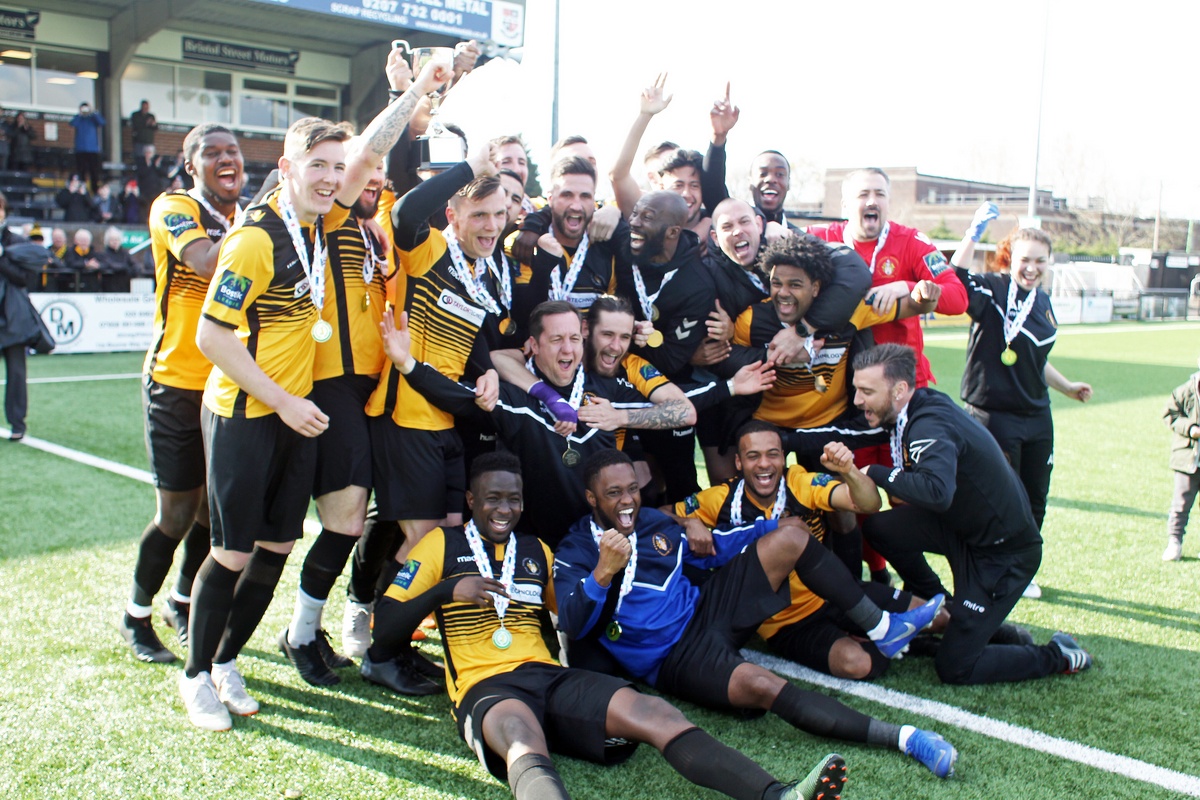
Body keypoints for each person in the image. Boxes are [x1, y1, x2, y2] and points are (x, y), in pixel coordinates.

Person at [178, 56, 454, 731]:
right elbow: (212, 337)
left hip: (297, 411)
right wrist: (282, 400)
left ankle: (227, 661)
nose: (333, 177)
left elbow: (371, 154)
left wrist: (419, 92)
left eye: (337, 167)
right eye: (319, 166)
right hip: (247, 412)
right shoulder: (254, 238)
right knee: (232, 552)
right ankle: (195, 675)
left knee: (276, 549)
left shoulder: (320, 224)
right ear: (287, 166)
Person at [367, 451, 849, 800]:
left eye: (513, 499)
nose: (504, 509)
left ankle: (778, 795)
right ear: (472, 499)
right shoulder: (440, 545)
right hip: (485, 686)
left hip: (549, 675)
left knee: (655, 712)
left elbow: (575, 617)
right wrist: (445, 592)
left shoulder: (536, 551)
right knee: (521, 738)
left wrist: (617, 572)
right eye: (493, 498)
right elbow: (383, 634)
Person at [554, 449, 957, 778]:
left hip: (707, 609)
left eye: (632, 489)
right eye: (613, 493)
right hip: (674, 658)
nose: (627, 501)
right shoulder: (576, 549)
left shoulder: (654, 522)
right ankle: (907, 738)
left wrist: (769, 527)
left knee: (791, 535)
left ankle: (881, 626)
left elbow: (720, 547)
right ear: (592, 498)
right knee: (762, 685)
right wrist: (603, 571)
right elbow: (573, 622)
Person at [278, 48, 441, 688]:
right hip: (334, 387)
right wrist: (413, 90)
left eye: (375, 180)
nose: (369, 182)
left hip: (385, 388)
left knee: (382, 519)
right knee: (343, 521)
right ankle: (300, 632)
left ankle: (358, 620)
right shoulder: (329, 216)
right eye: (354, 174)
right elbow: (374, 150)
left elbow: (397, 161)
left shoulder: (382, 225)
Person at [854, 343, 1093, 684]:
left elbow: (937, 492)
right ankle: (942, 605)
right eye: (857, 389)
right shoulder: (912, 407)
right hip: (961, 530)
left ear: (899, 390)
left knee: (956, 667)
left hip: (1002, 555)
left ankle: (1058, 654)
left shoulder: (928, 424)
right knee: (880, 528)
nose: (857, 400)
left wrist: (875, 472)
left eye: (866, 392)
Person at [673, 421, 946, 680]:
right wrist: (689, 522)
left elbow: (869, 504)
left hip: (836, 593)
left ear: (783, 457)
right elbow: (661, 515)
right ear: (738, 462)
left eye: (772, 454)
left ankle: (880, 633)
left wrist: (849, 471)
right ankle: (885, 639)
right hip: (786, 622)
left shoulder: (800, 482)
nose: (764, 464)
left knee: (939, 618)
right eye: (753, 456)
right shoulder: (719, 499)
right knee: (857, 664)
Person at [118, 123, 245, 664]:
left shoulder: (245, 217)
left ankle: (183, 602)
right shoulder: (174, 206)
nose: (226, 158)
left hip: (226, 386)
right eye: (211, 152)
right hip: (174, 382)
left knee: (213, 515)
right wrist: (261, 221)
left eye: (233, 151)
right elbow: (206, 262)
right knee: (176, 513)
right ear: (191, 166)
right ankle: (135, 615)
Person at [952, 215, 1092, 596]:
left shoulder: (1042, 301)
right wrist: (973, 232)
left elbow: (1035, 360)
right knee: (998, 500)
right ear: (1010, 258)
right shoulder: (993, 289)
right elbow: (956, 276)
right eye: (1024, 259)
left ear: (1049, 262)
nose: (1032, 268)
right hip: (992, 415)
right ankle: (989, 569)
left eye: (1040, 261)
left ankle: (1021, 570)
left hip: (1037, 416)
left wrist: (1067, 387)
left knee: (1035, 499)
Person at [0, 192, 33, 439]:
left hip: (12, 315)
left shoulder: (16, 241)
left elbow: (24, 278)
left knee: (16, 372)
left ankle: (17, 424)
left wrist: (2, 257)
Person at [1163, 360, 1200, 561]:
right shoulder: (1185, 391)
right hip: (1187, 459)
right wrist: (1190, 429)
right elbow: (1170, 415)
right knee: (1181, 504)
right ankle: (1174, 543)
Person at [69, 102, 106, 192]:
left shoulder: (93, 118)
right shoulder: (79, 118)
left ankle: (95, 191)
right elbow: (72, 123)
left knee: (94, 172)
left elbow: (102, 122)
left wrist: (93, 112)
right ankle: (81, 191)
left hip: (92, 150)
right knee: (81, 172)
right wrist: (80, 113)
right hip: (80, 150)